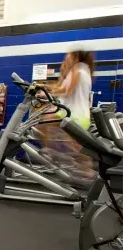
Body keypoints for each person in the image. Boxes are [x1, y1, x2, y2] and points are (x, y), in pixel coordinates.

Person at [40, 49, 96, 181]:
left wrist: (46, 93)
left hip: (74, 114)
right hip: (73, 113)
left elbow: (66, 90)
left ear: (76, 58)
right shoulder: (81, 70)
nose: (65, 59)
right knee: (74, 144)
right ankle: (55, 153)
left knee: (44, 123)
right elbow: (61, 87)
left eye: (68, 57)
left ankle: (50, 152)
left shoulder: (78, 68)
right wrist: (46, 86)